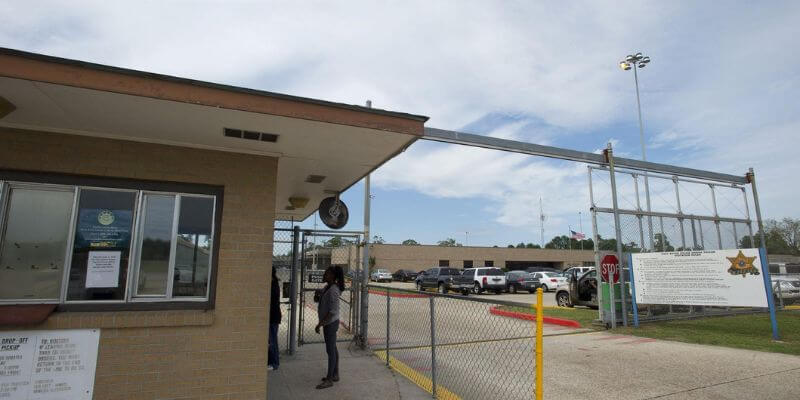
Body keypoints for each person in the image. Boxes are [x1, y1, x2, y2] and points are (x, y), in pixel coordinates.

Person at [315, 265, 344, 389]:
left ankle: (329, 379)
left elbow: (332, 311)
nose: (324, 275)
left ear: (332, 276)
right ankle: (335, 374)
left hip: (330, 324)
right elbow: (322, 298)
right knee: (333, 348)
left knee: (330, 351)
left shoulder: (333, 290)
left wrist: (320, 324)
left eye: (326, 273)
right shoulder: (328, 287)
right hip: (329, 323)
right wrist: (318, 294)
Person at [268, 267, 282, 371]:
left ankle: (275, 363)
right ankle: (271, 361)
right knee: (270, 340)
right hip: (273, 316)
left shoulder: (273, 285)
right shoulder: (273, 283)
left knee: (272, 340)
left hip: (273, 316)